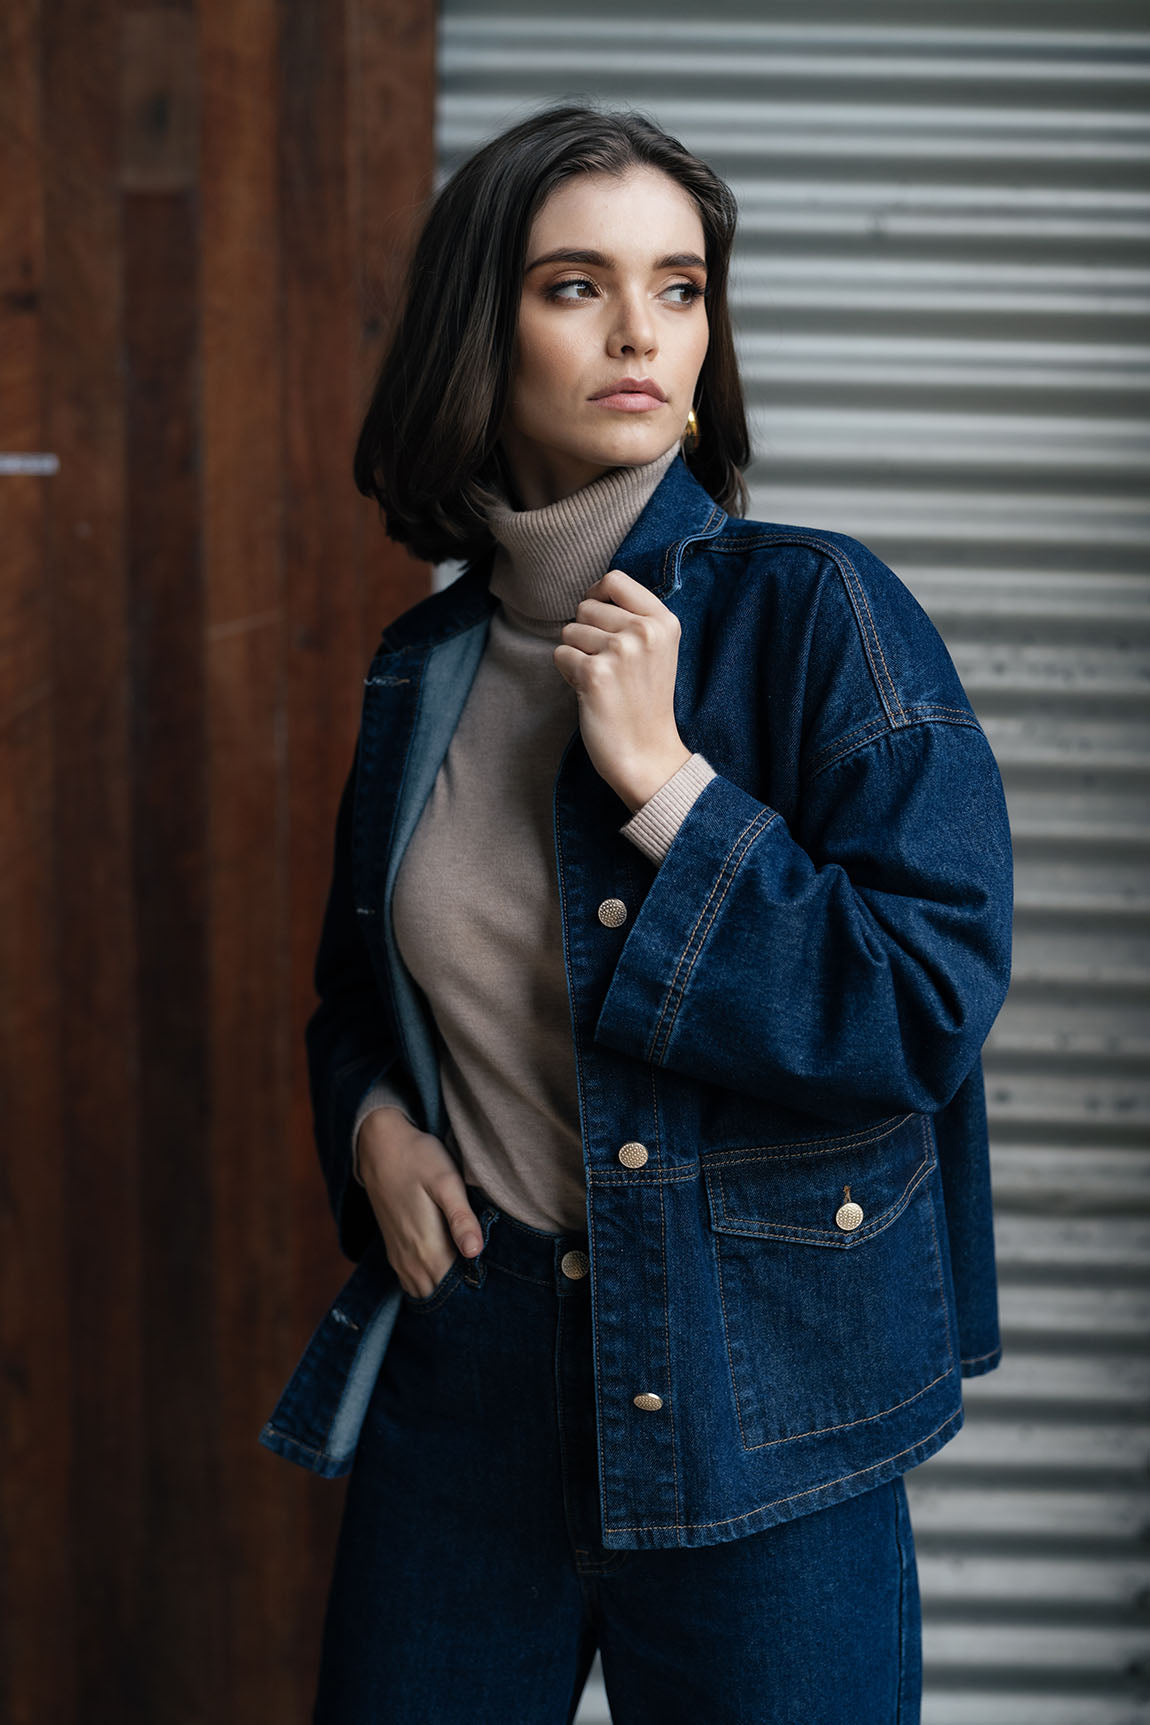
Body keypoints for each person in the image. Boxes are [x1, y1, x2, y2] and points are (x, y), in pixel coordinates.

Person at [259, 103, 1014, 1724]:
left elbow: (921, 1006)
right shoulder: (426, 665)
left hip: (764, 1401)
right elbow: (356, 1000)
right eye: (573, 286)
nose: (638, 335)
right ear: (485, 325)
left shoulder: (820, 616)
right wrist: (372, 1129)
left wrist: (672, 789)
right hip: (470, 1384)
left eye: (678, 288)